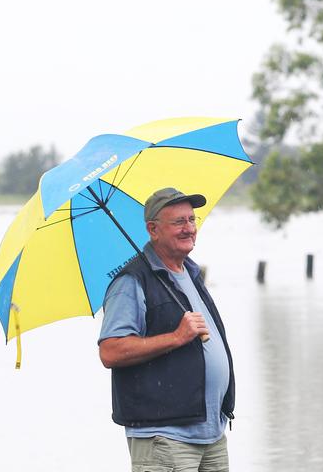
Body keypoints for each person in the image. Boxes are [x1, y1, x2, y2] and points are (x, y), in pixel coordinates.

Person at [99, 187, 235, 471]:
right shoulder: (131, 282)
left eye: (191, 220)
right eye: (178, 222)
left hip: (212, 434)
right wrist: (176, 337)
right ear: (153, 229)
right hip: (165, 438)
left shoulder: (190, 273)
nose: (189, 229)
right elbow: (110, 351)